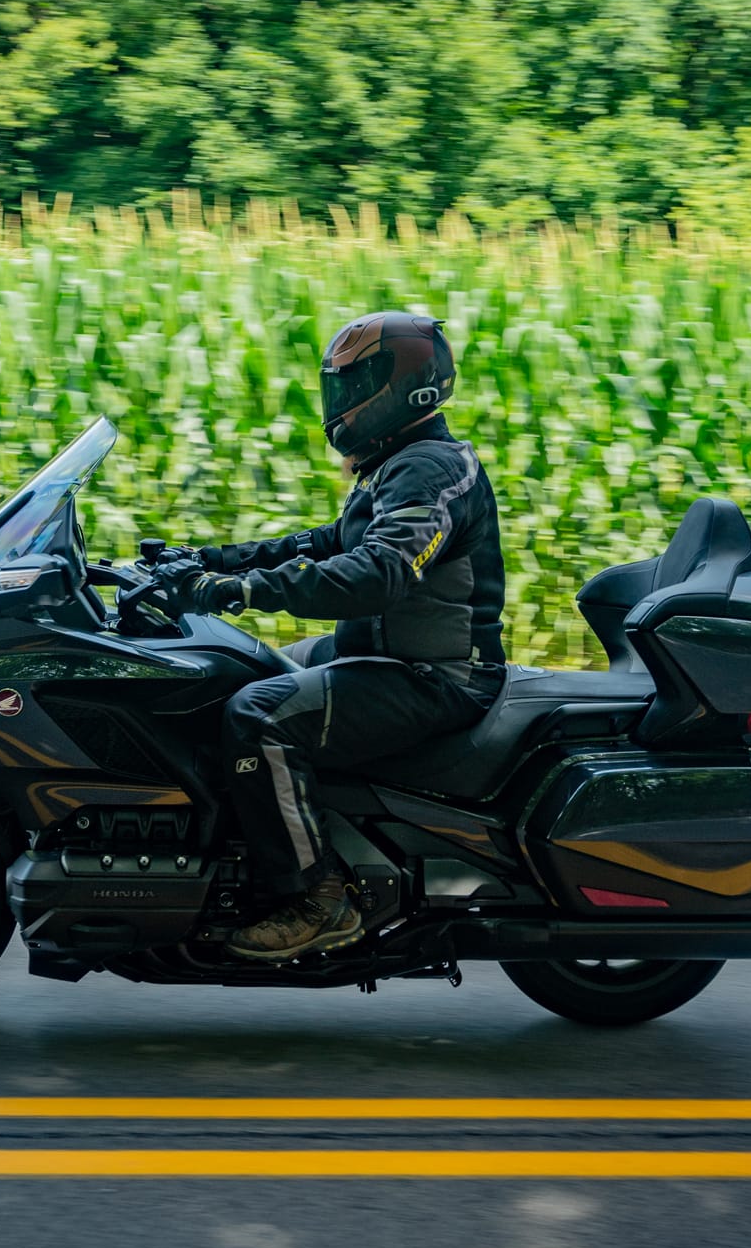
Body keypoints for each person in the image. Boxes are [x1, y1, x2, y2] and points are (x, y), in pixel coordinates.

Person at [156, 311, 507, 961]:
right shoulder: (399, 464)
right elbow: (322, 544)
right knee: (234, 671)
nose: (341, 401)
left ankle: (319, 897)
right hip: (381, 653)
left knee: (257, 718)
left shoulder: (430, 471)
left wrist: (246, 591)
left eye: (355, 385)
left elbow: (380, 573)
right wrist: (208, 561)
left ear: (404, 388)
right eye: (337, 385)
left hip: (435, 674)